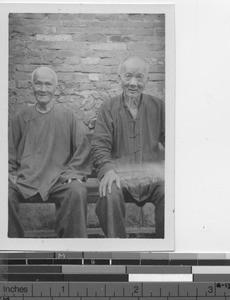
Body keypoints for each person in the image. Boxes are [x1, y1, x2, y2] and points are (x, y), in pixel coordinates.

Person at [8, 66, 92, 238]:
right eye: (38, 84)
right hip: (26, 180)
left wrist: (73, 173)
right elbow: (9, 150)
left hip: (58, 181)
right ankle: (14, 248)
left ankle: (72, 249)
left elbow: (82, 149)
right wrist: (8, 172)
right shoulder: (21, 116)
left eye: (48, 84)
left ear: (56, 88)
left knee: (77, 190)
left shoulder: (68, 115)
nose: (43, 89)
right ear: (31, 86)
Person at [91, 56, 165, 238]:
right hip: (120, 176)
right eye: (128, 76)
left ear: (147, 80)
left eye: (139, 77)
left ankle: (165, 250)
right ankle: (118, 248)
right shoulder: (108, 107)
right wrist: (107, 170)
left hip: (152, 177)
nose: (133, 83)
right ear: (119, 78)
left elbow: (176, 143)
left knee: (171, 193)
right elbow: (100, 144)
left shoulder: (159, 107)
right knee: (109, 191)